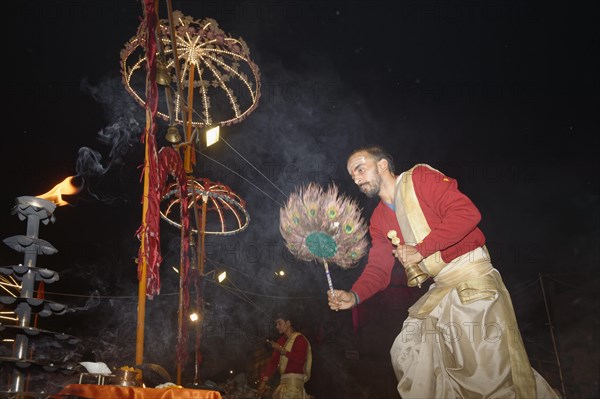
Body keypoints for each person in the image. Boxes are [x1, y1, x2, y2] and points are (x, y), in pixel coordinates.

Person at [327, 145, 559, 398]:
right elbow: (379, 268)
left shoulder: (421, 178)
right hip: (441, 289)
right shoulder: (379, 219)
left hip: (472, 277)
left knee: (486, 375)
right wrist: (354, 295)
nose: (357, 178)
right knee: (407, 351)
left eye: (360, 169)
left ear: (382, 165)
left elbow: (466, 213)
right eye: (353, 175)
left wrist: (420, 249)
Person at [256, 312, 312, 399]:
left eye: (279, 323)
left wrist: (282, 350)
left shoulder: (300, 339)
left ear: (288, 323)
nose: (277, 326)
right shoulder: (281, 341)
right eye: (276, 324)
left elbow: (300, 360)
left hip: (294, 387)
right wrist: (263, 382)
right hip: (283, 384)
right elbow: (273, 363)